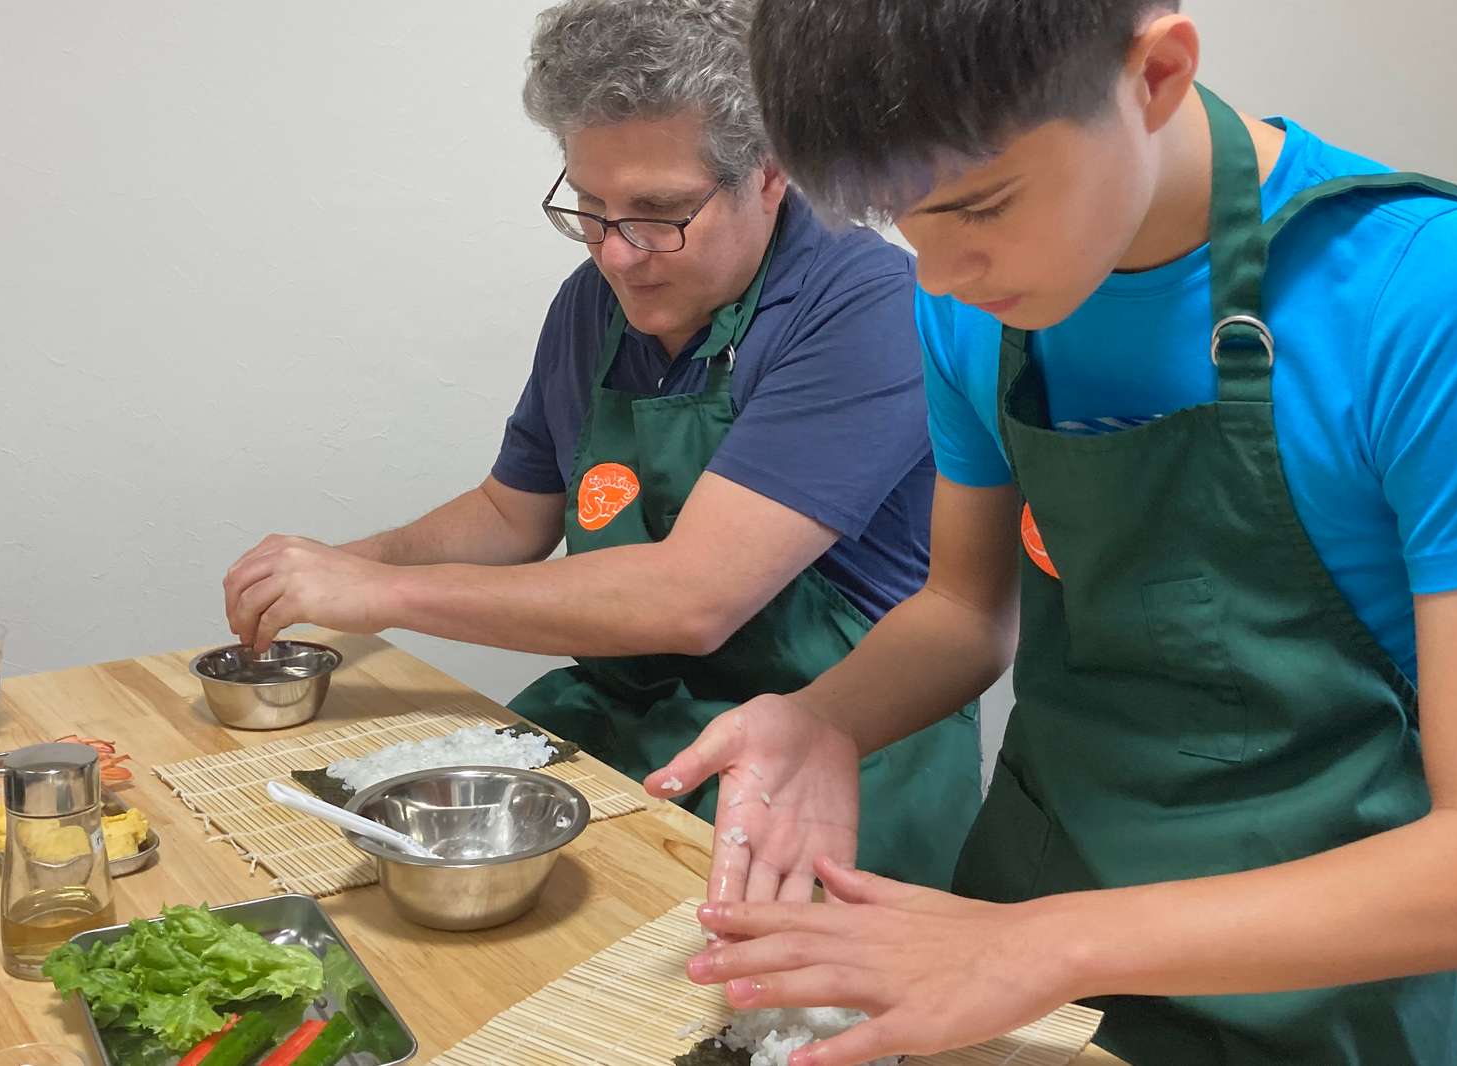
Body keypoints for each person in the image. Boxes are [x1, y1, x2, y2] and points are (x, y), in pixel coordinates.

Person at [648, 2, 1457, 1063]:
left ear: (1156, 74)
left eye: (982, 205)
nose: (936, 277)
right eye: (900, 218)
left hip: (1303, 982)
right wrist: (822, 719)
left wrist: (1057, 944)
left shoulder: (1425, 294)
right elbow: (961, 611)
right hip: (1025, 923)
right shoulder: (970, 298)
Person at [219, 0, 980, 890]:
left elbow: (695, 596)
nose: (618, 255)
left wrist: (384, 592)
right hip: (630, 718)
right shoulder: (597, 302)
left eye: (659, 213)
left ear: (772, 174)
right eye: (590, 206)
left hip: (829, 750)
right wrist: (340, 564)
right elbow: (513, 510)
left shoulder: (869, 309)